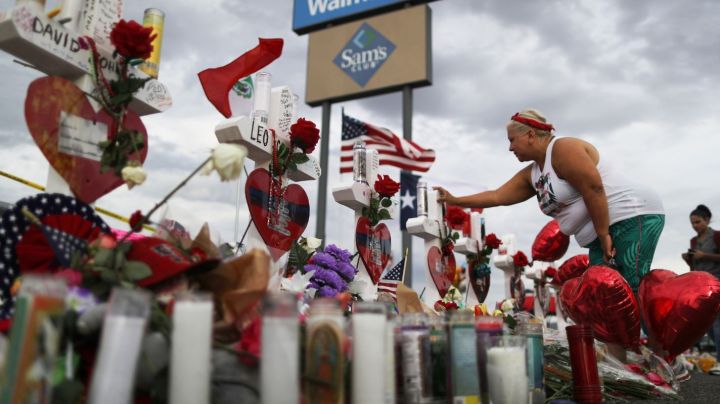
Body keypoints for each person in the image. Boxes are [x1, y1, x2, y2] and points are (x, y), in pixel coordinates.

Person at [435, 109, 665, 361]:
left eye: (512, 140)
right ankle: (624, 365)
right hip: (606, 229)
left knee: (630, 284)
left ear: (531, 135)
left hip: (632, 214)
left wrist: (603, 233)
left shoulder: (563, 149)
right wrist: (455, 200)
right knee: (602, 296)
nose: (510, 147)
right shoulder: (533, 173)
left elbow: (594, 187)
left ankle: (660, 356)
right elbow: (497, 196)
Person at [682, 204, 720, 375]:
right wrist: (689, 260)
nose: (695, 226)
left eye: (697, 222)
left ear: (707, 220)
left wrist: (705, 256)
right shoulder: (694, 241)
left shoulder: (717, 236)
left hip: (717, 284)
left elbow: (708, 259)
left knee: (717, 324)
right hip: (702, 288)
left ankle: (719, 361)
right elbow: (695, 266)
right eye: (692, 223)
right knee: (707, 326)